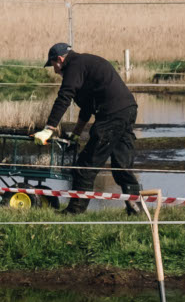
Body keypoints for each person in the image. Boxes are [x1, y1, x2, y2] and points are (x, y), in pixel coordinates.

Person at [32, 42, 140, 215]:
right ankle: (137, 211)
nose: (55, 71)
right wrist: (75, 134)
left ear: (60, 60)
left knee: (85, 166)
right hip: (127, 110)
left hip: (112, 115)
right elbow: (88, 107)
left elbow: (64, 97)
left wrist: (49, 128)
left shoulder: (74, 66)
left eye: (54, 66)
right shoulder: (85, 63)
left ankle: (74, 212)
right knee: (121, 166)